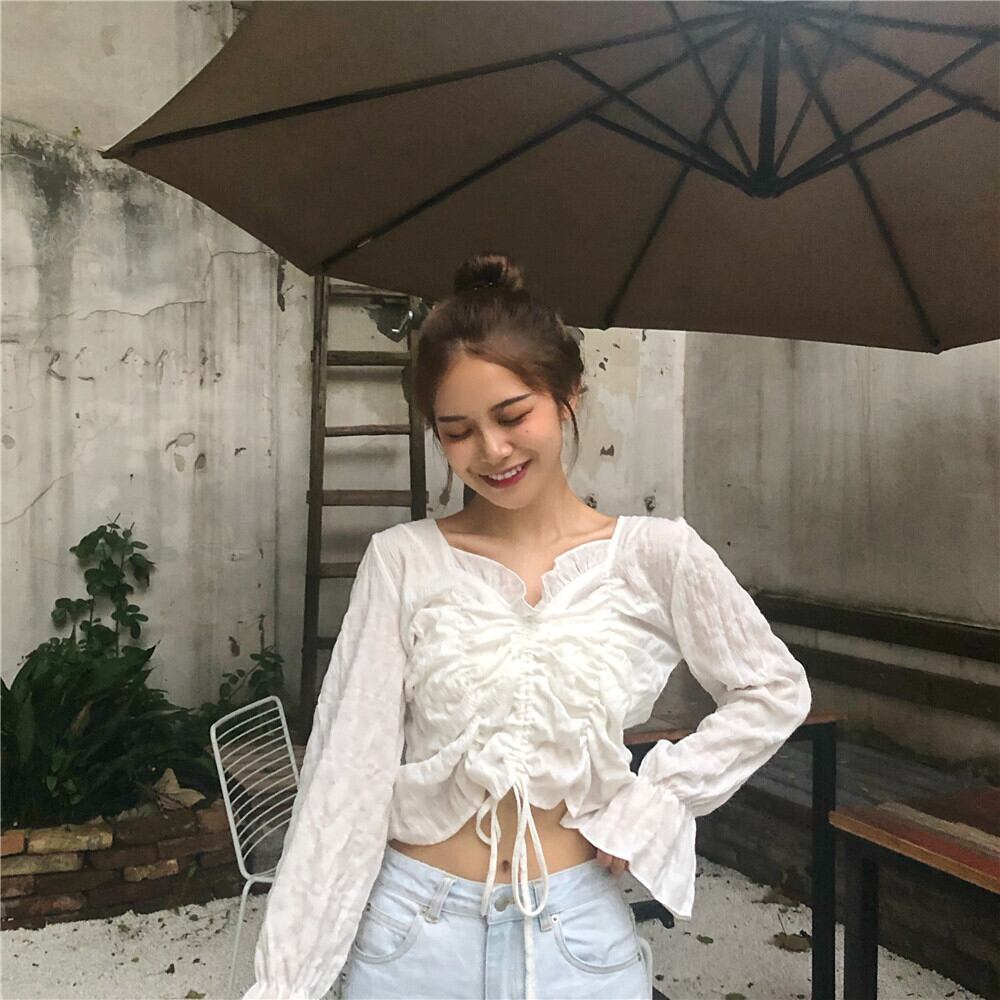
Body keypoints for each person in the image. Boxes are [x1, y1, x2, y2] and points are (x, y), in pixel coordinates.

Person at [241, 252, 812, 1000]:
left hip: (580, 943)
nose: (492, 450)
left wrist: (658, 797)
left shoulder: (657, 555)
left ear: (568, 393)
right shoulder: (404, 561)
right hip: (413, 941)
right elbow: (345, 779)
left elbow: (772, 688)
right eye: (457, 432)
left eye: (513, 416)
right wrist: (285, 985)